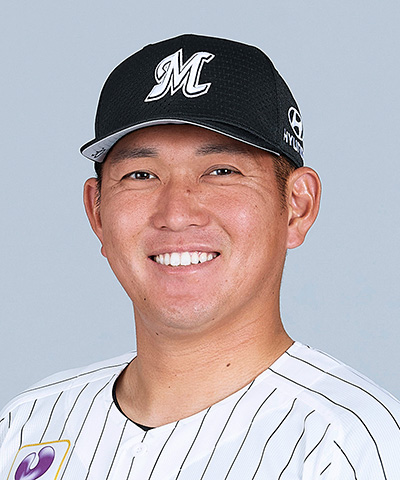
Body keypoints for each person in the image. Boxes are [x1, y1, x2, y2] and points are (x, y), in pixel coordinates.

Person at [1, 34, 399, 480]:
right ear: (97, 212)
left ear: (297, 206)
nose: (175, 214)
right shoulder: (27, 426)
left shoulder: (349, 446)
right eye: (140, 174)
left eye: (221, 171)